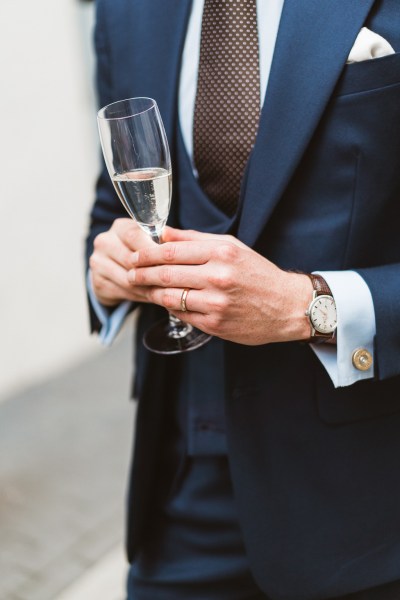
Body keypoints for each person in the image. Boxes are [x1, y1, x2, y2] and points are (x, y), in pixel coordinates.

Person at [86, 1, 400, 598]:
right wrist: (104, 273)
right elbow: (111, 204)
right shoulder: (123, 9)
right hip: (180, 500)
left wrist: (309, 306)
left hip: (370, 514)